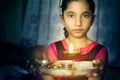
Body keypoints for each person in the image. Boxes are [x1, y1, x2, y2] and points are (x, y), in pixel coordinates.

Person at [42, 0, 108, 80]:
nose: (78, 23)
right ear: (62, 19)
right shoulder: (54, 49)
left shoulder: (100, 51)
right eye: (71, 15)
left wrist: (96, 75)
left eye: (85, 15)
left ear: (92, 19)